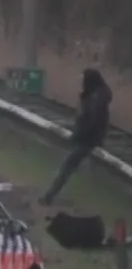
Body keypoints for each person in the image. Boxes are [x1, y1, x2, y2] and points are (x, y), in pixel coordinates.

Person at [44, 69, 113, 206]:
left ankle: (49, 196)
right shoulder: (95, 95)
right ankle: (50, 195)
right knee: (68, 167)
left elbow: (92, 121)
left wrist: (78, 135)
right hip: (86, 138)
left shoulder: (96, 99)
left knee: (66, 167)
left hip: (87, 141)